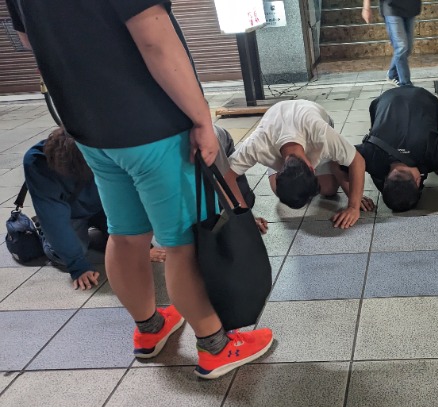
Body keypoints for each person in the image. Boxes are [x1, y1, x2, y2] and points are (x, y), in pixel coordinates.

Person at [7, 0, 273, 380]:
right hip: (153, 125)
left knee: (126, 234)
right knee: (183, 243)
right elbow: (155, 40)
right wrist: (200, 117)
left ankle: (150, 330)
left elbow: (29, 39)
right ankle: (215, 346)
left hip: (88, 129)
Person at [23, 127, 169, 291]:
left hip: (102, 205)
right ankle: (45, 234)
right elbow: (53, 217)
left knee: (129, 240)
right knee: (63, 255)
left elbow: (129, 197)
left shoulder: (107, 150)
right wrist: (77, 265)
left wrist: (141, 247)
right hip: (68, 212)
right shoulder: (37, 161)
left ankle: (100, 231)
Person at [222, 99, 374, 229]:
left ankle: (333, 162)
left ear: (312, 168)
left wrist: (353, 206)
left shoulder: (321, 134)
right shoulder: (257, 144)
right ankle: (328, 165)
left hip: (310, 111)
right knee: (280, 191)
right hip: (277, 122)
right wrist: (244, 218)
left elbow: (357, 160)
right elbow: (225, 178)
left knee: (329, 189)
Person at [357, 85, 438, 212]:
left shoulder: (435, 151)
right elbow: (339, 159)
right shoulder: (372, 154)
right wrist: (355, 198)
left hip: (423, 99)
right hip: (386, 100)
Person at [362, 0, 421, 86]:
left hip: (411, 7)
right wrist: (366, 7)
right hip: (391, 7)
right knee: (401, 47)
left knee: (407, 49)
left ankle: (392, 74)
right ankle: (405, 84)